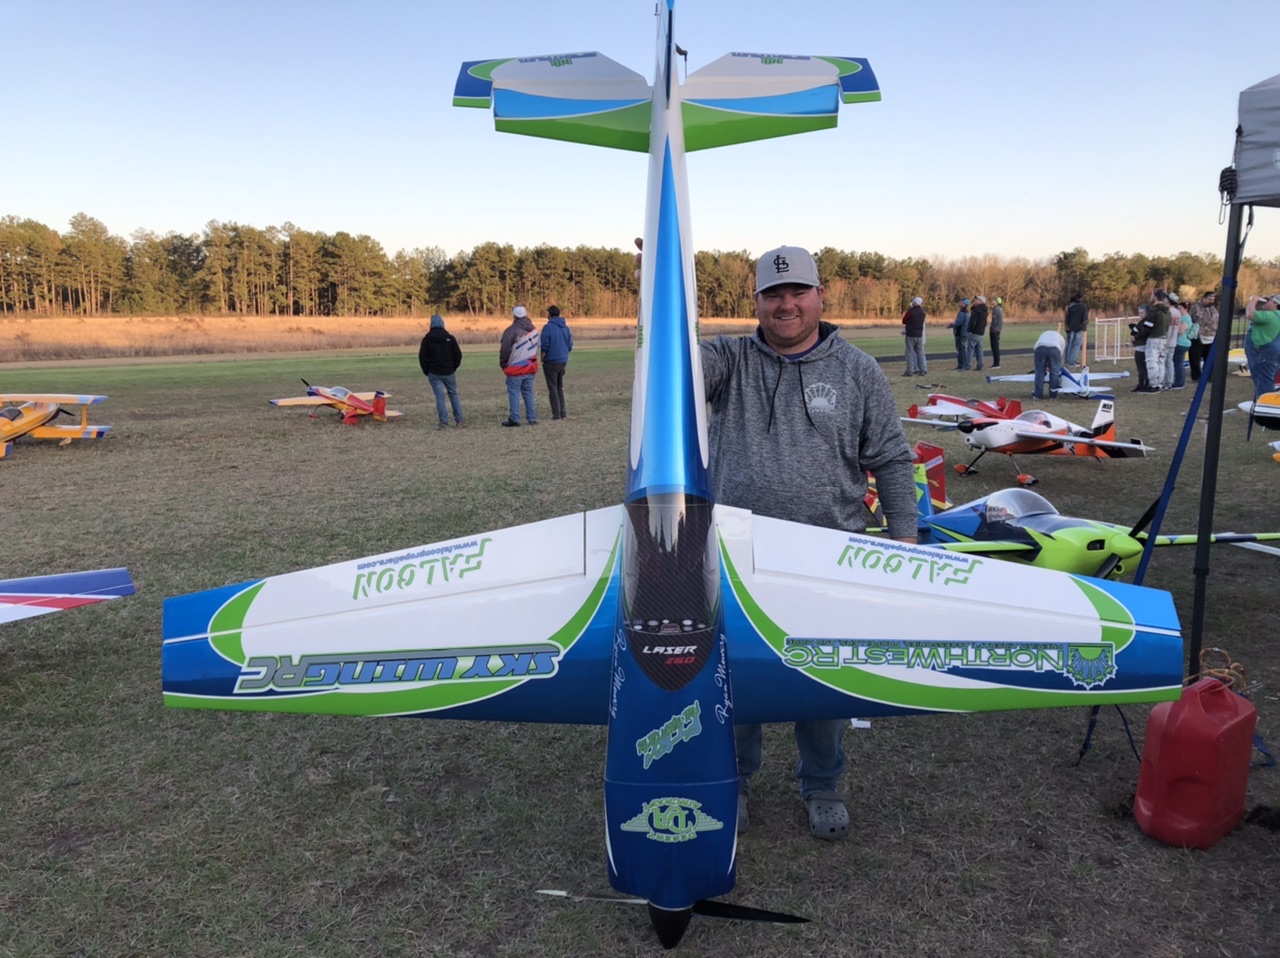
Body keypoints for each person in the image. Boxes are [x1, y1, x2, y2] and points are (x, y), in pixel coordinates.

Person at [701, 245, 918, 842]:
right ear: (757, 302)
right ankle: (733, 780)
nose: (786, 304)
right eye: (773, 294)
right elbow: (671, 370)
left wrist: (904, 542)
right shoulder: (728, 360)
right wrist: (657, 292)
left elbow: (891, 458)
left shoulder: (858, 370)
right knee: (735, 676)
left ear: (821, 296)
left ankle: (822, 784)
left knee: (823, 679)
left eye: (797, 291)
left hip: (830, 555)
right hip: (738, 556)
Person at [418, 314, 465, 429]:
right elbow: (458, 355)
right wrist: (453, 367)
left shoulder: (427, 339)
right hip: (449, 372)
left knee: (440, 397)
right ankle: (459, 420)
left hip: (434, 373)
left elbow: (422, 357)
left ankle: (443, 422)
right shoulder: (450, 338)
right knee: (453, 394)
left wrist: (427, 371)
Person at [499, 305, 539, 426]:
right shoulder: (534, 329)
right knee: (528, 392)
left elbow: (505, 350)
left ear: (514, 316)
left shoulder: (511, 331)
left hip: (515, 367)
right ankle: (532, 418)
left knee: (514, 393)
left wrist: (503, 364)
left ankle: (515, 418)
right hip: (530, 366)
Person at [540, 305, 574, 420]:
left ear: (549, 314)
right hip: (562, 360)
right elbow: (570, 345)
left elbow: (544, 344)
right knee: (559, 387)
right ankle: (562, 411)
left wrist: (543, 358)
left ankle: (556, 413)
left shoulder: (548, 327)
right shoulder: (565, 328)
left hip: (551, 361)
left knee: (553, 388)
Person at [1244, 293, 1280, 399]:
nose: (1266, 301)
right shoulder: (1276, 315)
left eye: (1270, 300)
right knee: (1269, 378)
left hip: (1263, 353)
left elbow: (1250, 314)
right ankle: (1260, 401)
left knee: (1263, 380)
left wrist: (1253, 301)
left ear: (1275, 304)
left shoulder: (1270, 316)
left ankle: (1264, 404)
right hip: (1274, 353)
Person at [1144, 290, 1173, 391]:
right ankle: (1159, 383)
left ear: (1156, 297)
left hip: (1154, 339)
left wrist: (1138, 335)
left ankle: (1153, 384)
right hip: (1164, 339)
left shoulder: (1155, 312)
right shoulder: (1168, 312)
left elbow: (1147, 327)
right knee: (1161, 362)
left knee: (1152, 361)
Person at [1188, 291, 1218, 381]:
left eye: (1213, 299)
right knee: (1195, 358)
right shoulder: (1195, 308)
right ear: (1204, 298)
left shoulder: (1213, 309)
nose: (1211, 301)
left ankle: (1209, 375)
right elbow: (1190, 320)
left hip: (1211, 336)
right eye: (1209, 299)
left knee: (1209, 358)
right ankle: (1196, 376)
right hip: (1198, 336)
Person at [1033, 327, 1065, 400]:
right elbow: (1061, 352)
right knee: (1054, 373)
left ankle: (1038, 395)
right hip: (1055, 349)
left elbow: (1035, 347)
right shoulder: (1061, 338)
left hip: (1040, 348)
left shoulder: (1043, 335)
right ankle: (1053, 395)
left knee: (1039, 373)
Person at [902, 296, 927, 376]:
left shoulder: (910, 311)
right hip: (919, 335)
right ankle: (922, 370)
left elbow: (904, 320)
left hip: (910, 334)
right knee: (920, 353)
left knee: (909, 353)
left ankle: (909, 371)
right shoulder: (923, 312)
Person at [1130, 304, 1152, 392]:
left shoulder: (1146, 322)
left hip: (1142, 346)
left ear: (1147, 313)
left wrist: (1135, 336)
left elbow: (1143, 332)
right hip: (1141, 345)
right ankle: (1143, 383)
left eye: (1142, 313)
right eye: (1139, 313)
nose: (1140, 315)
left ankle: (1143, 384)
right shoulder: (1143, 321)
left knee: (1142, 366)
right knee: (1142, 367)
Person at [1172, 303, 1193, 390]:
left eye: (1180, 308)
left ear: (1186, 308)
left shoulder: (1185, 318)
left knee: (1178, 363)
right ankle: (1178, 381)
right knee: (1177, 363)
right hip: (1180, 342)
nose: (1179, 310)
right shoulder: (1182, 317)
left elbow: (1180, 331)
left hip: (1181, 343)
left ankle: (1179, 383)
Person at [1064, 293, 1089, 366]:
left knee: (1069, 344)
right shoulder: (1083, 307)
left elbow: (1067, 318)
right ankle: (1072, 361)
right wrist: (1084, 327)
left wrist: (1068, 327)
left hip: (1070, 327)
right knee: (1076, 345)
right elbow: (1085, 318)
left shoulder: (1070, 307)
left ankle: (1067, 360)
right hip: (1079, 327)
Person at [966, 296, 988, 371]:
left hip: (974, 332)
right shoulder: (985, 310)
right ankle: (980, 365)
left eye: (977, 299)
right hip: (981, 332)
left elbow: (973, 321)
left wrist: (970, 330)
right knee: (979, 349)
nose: (975, 300)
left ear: (981, 301)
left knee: (970, 349)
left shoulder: (977, 310)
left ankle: (968, 365)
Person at [950, 299, 971, 370]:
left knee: (961, 350)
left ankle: (962, 365)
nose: (959, 303)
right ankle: (962, 365)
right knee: (962, 349)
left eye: (961, 302)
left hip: (960, 334)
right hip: (965, 333)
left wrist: (952, 325)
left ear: (964, 304)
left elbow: (958, 323)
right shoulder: (967, 313)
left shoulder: (962, 313)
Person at [989, 297, 1004, 368]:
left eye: (994, 300)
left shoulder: (996, 309)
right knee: (996, 346)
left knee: (995, 347)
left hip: (995, 330)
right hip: (998, 330)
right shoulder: (1000, 309)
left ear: (997, 302)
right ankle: (996, 363)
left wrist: (992, 328)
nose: (992, 301)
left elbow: (994, 321)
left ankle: (996, 363)